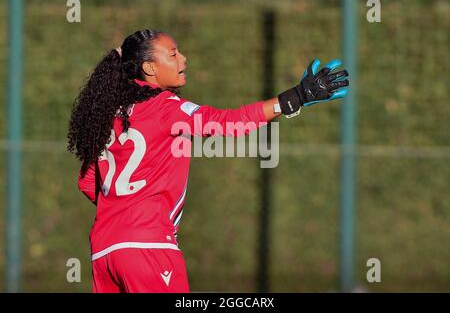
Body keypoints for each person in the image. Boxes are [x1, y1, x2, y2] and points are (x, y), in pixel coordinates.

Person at [67, 29, 349, 293]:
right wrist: (296, 97)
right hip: (147, 245)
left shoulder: (110, 117)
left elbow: (87, 181)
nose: (183, 59)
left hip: (104, 250)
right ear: (150, 68)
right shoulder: (166, 106)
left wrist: (125, 211)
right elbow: (230, 123)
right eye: (173, 54)